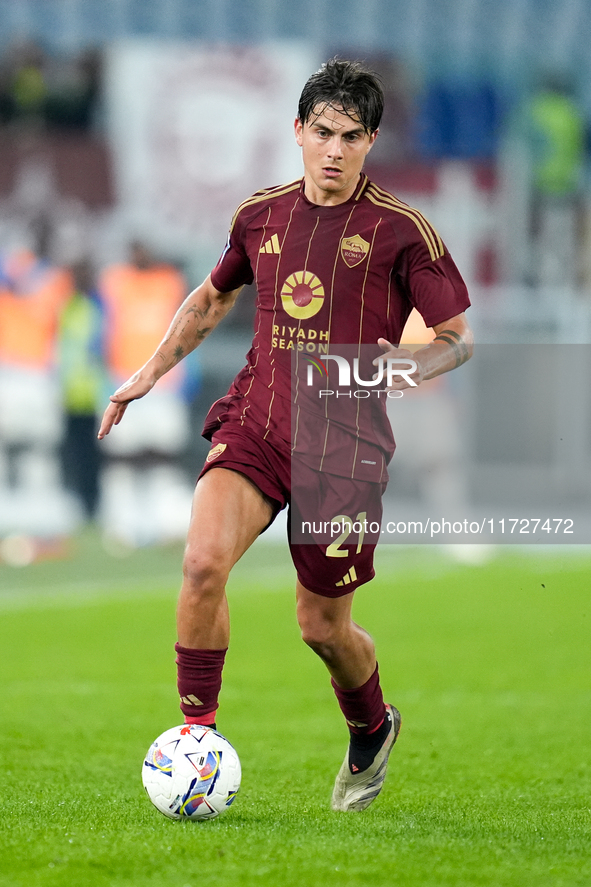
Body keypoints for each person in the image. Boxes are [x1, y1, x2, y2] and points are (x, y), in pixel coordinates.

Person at [98, 59, 473, 812]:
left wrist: (382, 374)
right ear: (297, 131)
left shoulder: (401, 231)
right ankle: (195, 740)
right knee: (202, 562)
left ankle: (371, 723)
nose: (334, 150)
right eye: (323, 133)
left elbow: (455, 338)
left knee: (321, 625)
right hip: (257, 421)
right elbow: (210, 298)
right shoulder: (259, 216)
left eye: (352, 137)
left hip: (344, 451)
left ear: (371, 141)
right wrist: (147, 372)